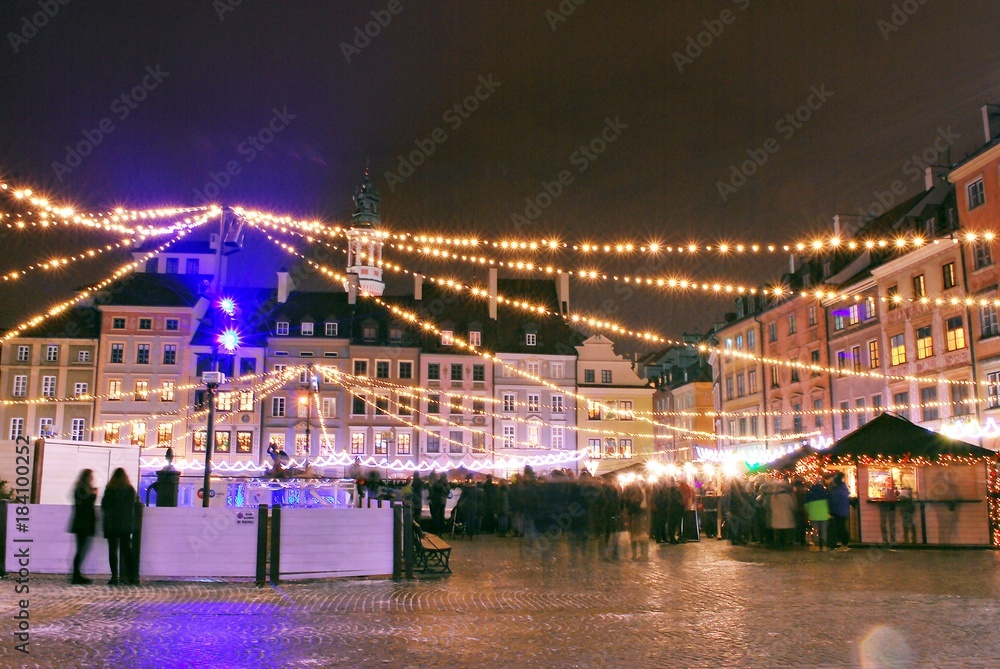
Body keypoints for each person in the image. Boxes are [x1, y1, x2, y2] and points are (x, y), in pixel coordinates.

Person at [101, 468, 138, 585]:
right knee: (127, 550)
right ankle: (132, 576)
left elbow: (104, 506)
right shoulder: (130, 490)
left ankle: (114, 576)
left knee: (112, 551)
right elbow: (132, 505)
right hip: (125, 524)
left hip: (111, 524)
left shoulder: (110, 489)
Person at [68, 469, 97, 584]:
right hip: (83, 523)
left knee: (81, 549)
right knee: (81, 549)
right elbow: (87, 505)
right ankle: (76, 575)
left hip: (81, 523)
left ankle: (77, 574)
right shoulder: (82, 490)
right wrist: (94, 495)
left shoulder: (80, 489)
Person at [804, 480, 831, 550]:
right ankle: (824, 546)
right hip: (824, 515)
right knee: (823, 531)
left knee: (815, 531)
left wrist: (808, 512)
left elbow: (806, 506)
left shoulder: (809, 494)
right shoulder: (826, 493)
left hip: (813, 515)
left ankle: (816, 546)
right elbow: (829, 504)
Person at [768, 482, 796, 548]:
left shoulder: (774, 496)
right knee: (785, 531)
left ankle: (778, 544)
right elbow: (791, 505)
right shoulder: (787, 496)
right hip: (786, 516)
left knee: (778, 532)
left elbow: (771, 506)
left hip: (776, 516)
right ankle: (784, 544)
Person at [828, 472, 851, 550]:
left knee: (840, 528)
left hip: (838, 511)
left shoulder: (836, 490)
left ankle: (844, 543)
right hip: (842, 511)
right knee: (841, 527)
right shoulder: (843, 489)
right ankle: (844, 543)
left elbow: (834, 500)